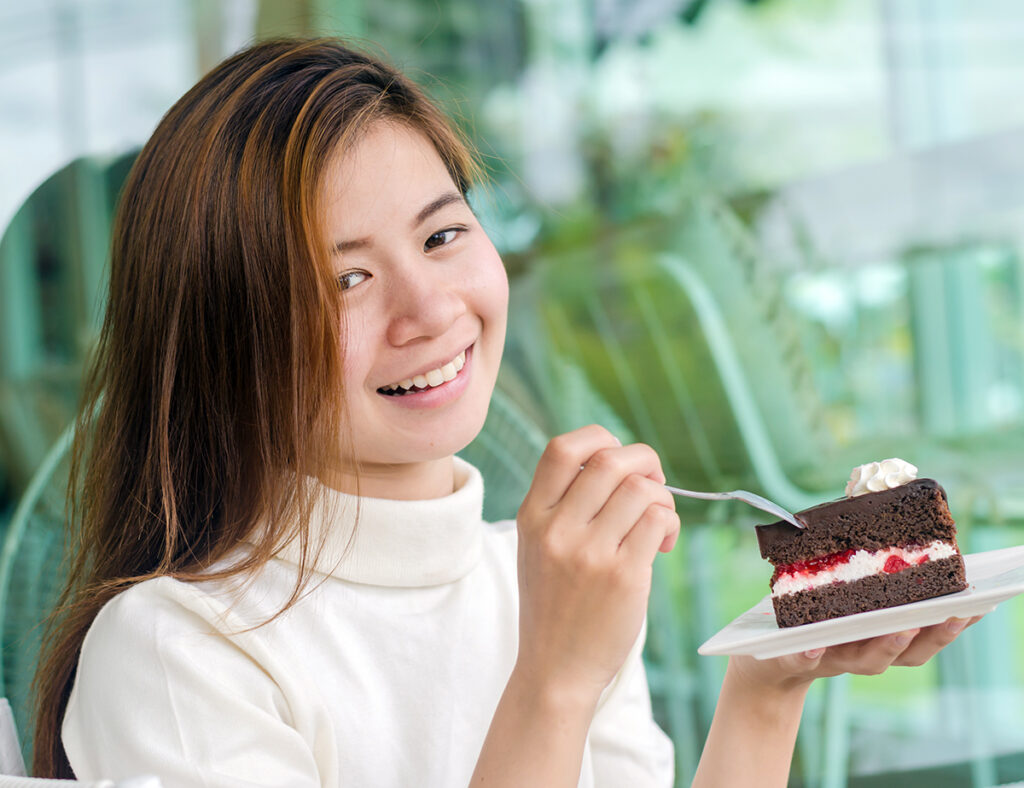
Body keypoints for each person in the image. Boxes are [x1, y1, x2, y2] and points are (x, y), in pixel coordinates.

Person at [32, 37, 977, 787]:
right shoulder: (174, 652)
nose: (432, 309)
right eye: (346, 278)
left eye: (443, 234)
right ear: (224, 343)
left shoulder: (539, 580)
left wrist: (769, 686)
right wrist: (554, 684)